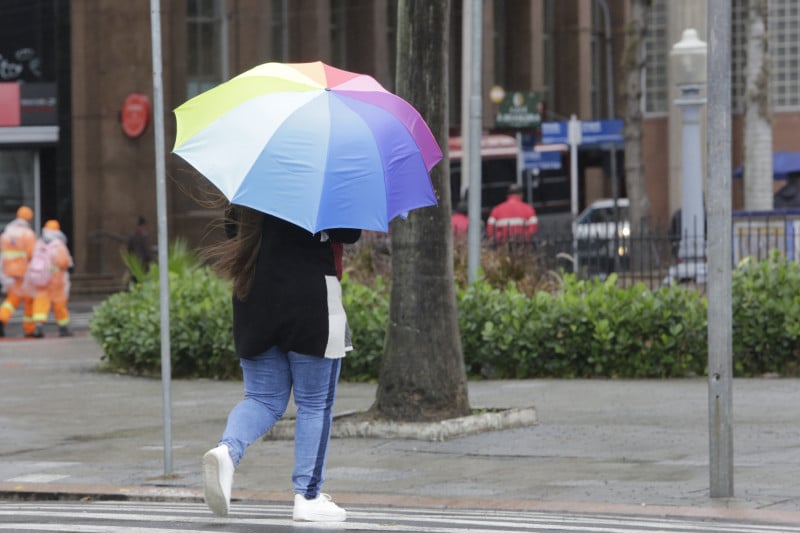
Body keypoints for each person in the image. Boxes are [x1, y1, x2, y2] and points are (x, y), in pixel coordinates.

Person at [201, 205, 360, 522]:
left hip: (253, 298)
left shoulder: (254, 183)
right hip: (311, 298)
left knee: (262, 398)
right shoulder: (323, 185)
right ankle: (308, 495)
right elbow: (349, 233)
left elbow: (232, 228)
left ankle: (227, 452)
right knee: (315, 403)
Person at [25, 220, 74, 338]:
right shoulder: (58, 245)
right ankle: (63, 328)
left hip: (40, 279)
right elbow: (64, 262)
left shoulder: (39, 244)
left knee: (41, 302)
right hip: (56, 280)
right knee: (59, 304)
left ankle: (38, 327)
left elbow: (30, 257)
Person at [0, 206, 36, 338]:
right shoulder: (28, 234)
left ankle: (2, 318)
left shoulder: (7, 233)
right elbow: (32, 254)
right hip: (24, 272)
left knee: (12, 299)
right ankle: (29, 328)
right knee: (29, 300)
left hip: (9, 272)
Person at [127, 216, 153, 281]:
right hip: (143, 265)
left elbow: (129, 250)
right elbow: (147, 251)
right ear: (143, 226)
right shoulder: (143, 237)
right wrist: (151, 259)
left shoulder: (132, 236)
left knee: (135, 282)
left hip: (134, 264)